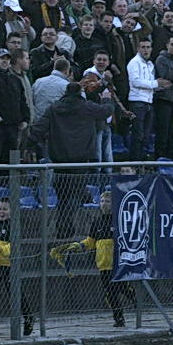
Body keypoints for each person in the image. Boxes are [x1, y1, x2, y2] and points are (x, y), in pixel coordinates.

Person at [30, 81, 114, 237]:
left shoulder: (54, 108)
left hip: (60, 161)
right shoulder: (86, 106)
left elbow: (39, 129)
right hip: (80, 160)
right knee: (75, 195)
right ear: (80, 92)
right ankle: (67, 229)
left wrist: (28, 146)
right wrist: (107, 98)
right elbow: (106, 111)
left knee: (62, 197)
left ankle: (63, 229)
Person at [50, 191, 130, 327]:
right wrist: (78, 245)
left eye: (108, 201)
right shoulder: (97, 222)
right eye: (102, 201)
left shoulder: (119, 220)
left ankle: (133, 300)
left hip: (117, 263)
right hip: (103, 264)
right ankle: (119, 317)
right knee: (110, 293)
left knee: (118, 289)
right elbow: (91, 241)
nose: (104, 204)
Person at [0, 197, 34, 335]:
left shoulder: (13, 225)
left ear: (11, 211)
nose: (1, 212)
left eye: (5, 209)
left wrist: (2, 250)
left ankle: (28, 317)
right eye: (0, 209)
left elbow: (15, 246)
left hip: (8, 265)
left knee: (14, 292)